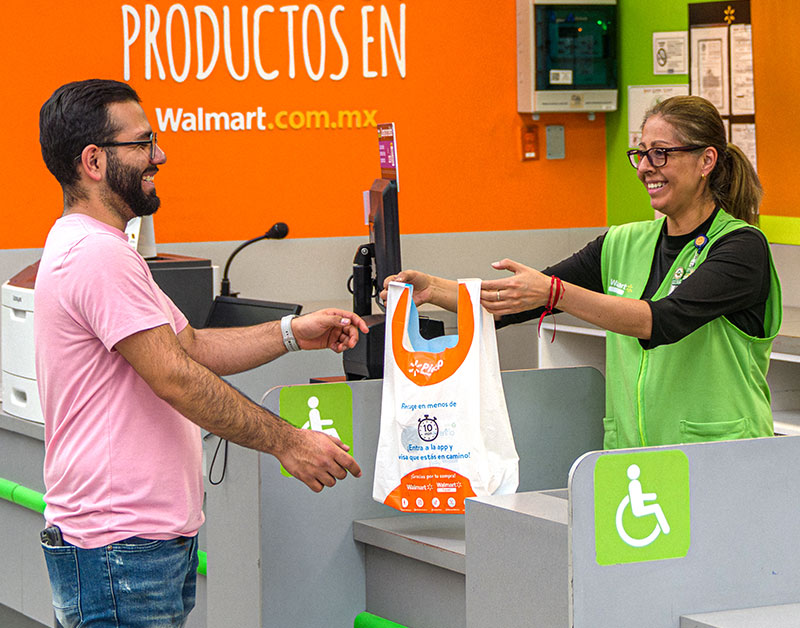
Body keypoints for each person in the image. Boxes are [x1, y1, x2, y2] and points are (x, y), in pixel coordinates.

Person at [35, 79, 366, 628]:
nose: (158, 156)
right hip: (120, 552)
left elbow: (187, 346)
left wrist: (290, 332)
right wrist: (288, 442)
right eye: (142, 143)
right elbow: (177, 378)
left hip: (137, 549)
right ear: (93, 161)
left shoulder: (106, 249)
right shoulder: (97, 256)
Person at [385, 95, 781, 450]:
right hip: (635, 461)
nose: (645, 168)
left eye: (660, 154)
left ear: (706, 161)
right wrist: (432, 289)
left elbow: (662, 320)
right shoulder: (622, 243)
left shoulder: (741, 248)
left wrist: (555, 293)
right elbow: (512, 303)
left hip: (720, 457)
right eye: (640, 154)